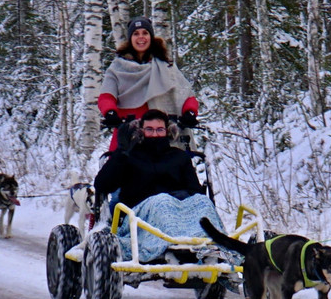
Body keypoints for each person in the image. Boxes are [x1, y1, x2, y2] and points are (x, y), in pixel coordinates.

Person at [93, 110, 231, 264]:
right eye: (149, 129)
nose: (155, 134)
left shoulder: (179, 156)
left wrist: (182, 196)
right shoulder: (130, 156)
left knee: (202, 201)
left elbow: (195, 191)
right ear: (141, 131)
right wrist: (121, 151)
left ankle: (214, 246)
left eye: (160, 129)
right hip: (140, 215)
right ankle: (174, 247)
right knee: (162, 201)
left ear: (167, 131)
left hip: (178, 209)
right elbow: (102, 185)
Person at [98, 17, 199, 151]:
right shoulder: (117, 68)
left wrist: (190, 112)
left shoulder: (166, 67)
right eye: (136, 33)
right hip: (129, 136)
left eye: (145, 33)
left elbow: (186, 95)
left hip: (161, 137)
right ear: (130, 38)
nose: (141, 37)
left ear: (151, 36)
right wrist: (110, 112)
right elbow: (106, 96)